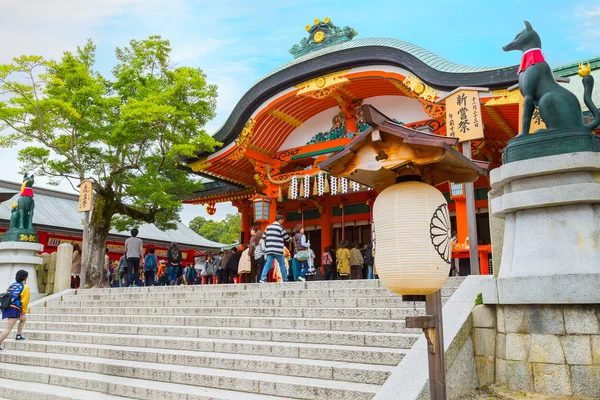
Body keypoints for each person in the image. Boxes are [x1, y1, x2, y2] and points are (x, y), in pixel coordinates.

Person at [0, 270, 30, 350]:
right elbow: (25, 301)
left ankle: (19, 335)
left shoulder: (12, 285)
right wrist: (23, 311)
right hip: (15, 309)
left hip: (8, 307)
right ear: (25, 277)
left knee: (23, 319)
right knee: (8, 328)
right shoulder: (25, 287)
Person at [260, 214, 291, 283]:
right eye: (282, 220)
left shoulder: (268, 227)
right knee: (282, 265)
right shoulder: (280, 227)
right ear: (280, 220)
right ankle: (285, 279)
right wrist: (290, 239)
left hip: (269, 249)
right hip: (278, 249)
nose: (282, 222)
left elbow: (264, 236)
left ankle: (262, 278)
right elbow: (286, 237)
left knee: (267, 264)